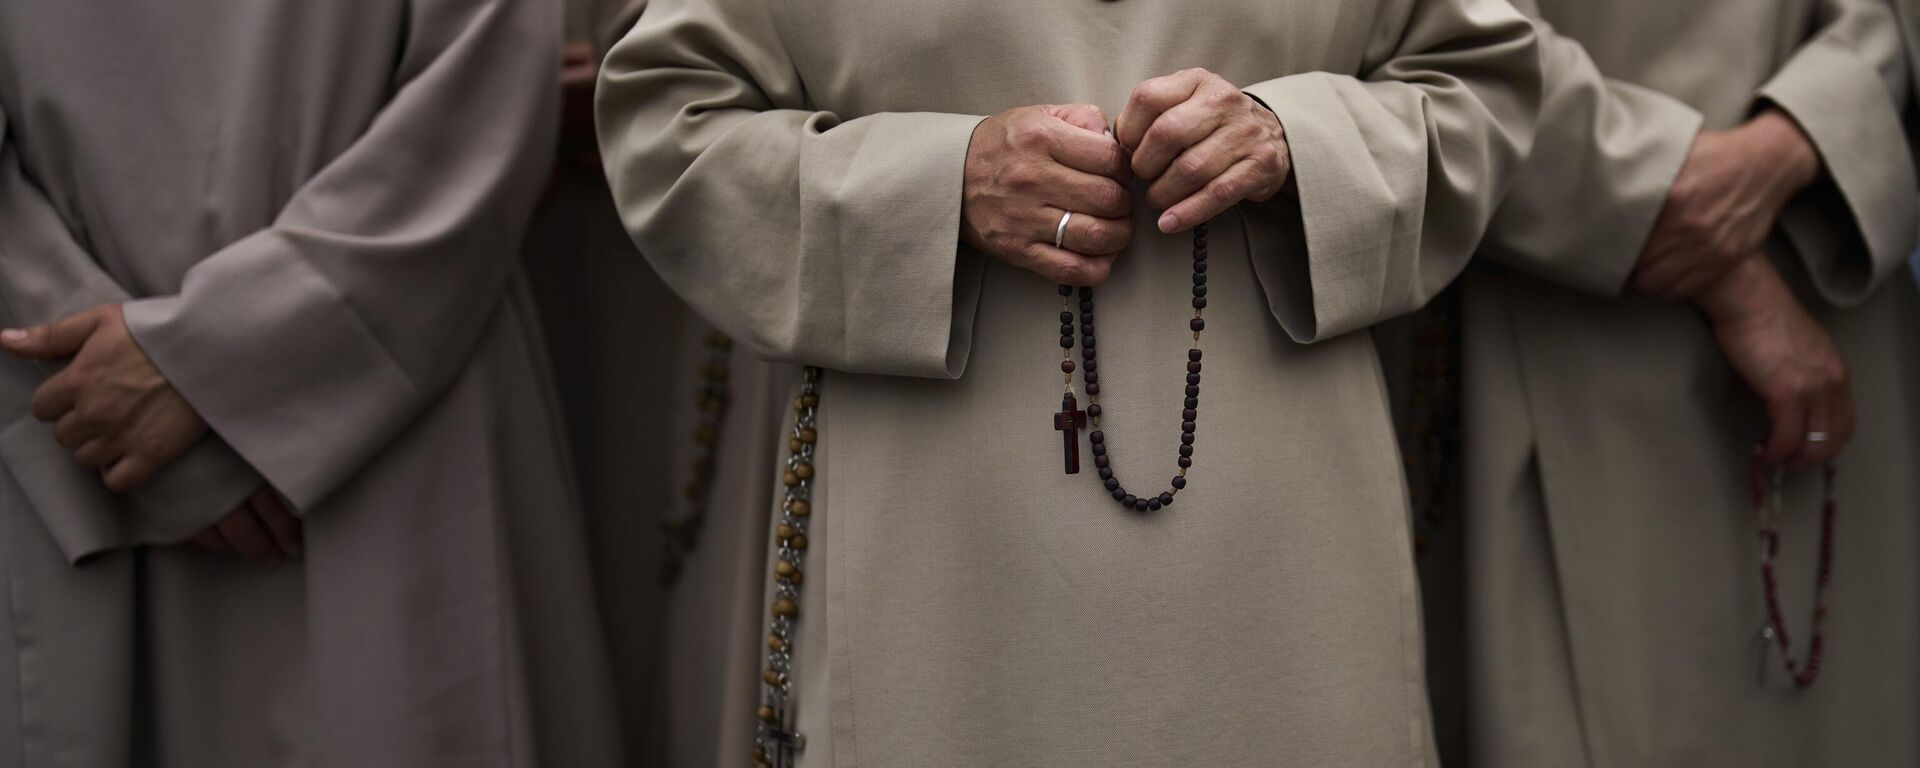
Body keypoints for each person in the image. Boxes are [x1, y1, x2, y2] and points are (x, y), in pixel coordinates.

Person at [596, 0, 1542, 762]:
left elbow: (1479, 85)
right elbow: (668, 122)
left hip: (1279, 556)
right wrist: (938, 182)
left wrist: (1290, 141)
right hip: (942, 557)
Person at [0, 0, 627, 764]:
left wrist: (169, 365)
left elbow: (483, 83)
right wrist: (137, 374)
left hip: (380, 434)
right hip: (101, 450)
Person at [1450, 0, 1920, 764]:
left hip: (1827, 251)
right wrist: (1708, 245)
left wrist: (1798, 135)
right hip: (1549, 313)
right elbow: (1445, 42)